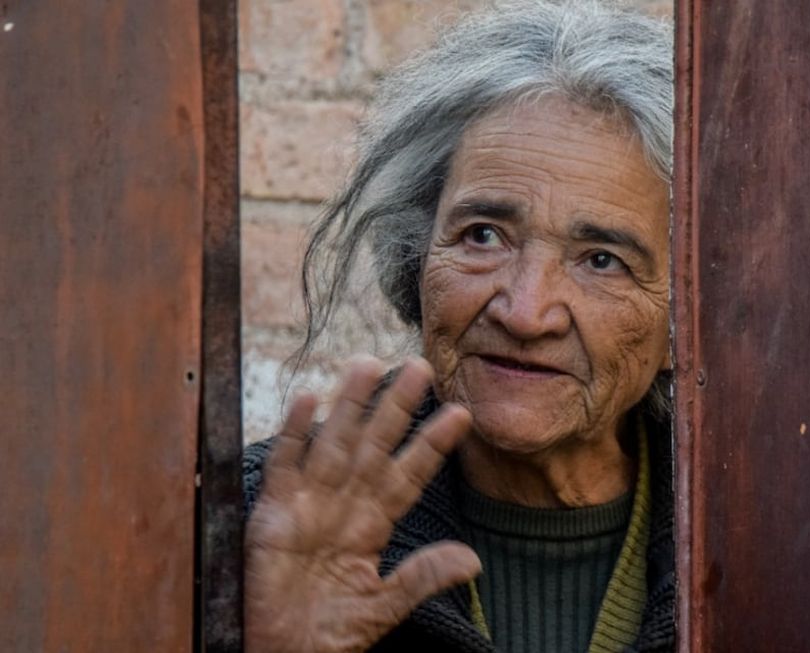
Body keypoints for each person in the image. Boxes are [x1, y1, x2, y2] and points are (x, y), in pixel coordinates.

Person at [242, 1, 676, 651]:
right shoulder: (259, 531)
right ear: (418, 256)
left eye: (602, 260)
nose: (525, 312)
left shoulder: (774, 554)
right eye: (483, 235)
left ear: (687, 318)